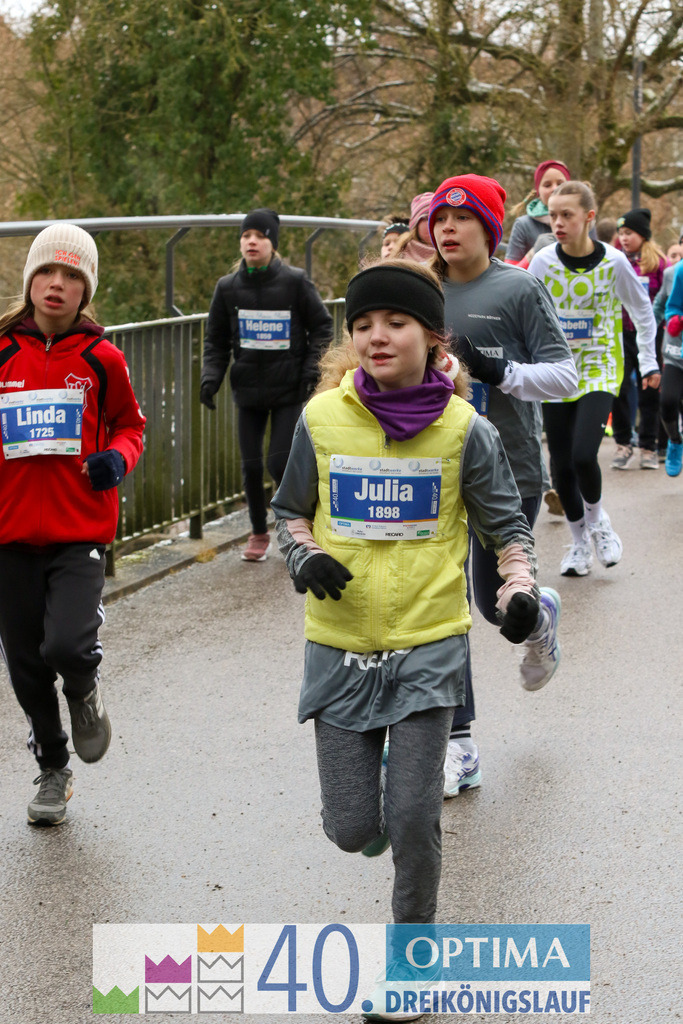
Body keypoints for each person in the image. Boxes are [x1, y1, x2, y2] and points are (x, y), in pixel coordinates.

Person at [271, 260, 545, 1022]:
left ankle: (410, 969)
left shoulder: (466, 431)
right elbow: (289, 510)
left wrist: (517, 590)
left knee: (417, 821)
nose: (374, 337)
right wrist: (304, 555)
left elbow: (506, 531)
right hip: (338, 645)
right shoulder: (320, 420)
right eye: (361, 325)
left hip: (428, 645)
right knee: (353, 827)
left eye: (393, 323)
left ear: (432, 336)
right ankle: (378, 809)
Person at [425, 174, 577, 799]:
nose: (448, 229)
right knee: (443, 604)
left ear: (489, 228)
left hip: (506, 468)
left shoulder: (518, 287)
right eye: (439, 219)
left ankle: (537, 617)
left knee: (496, 607)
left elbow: (565, 375)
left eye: (462, 219)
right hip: (433, 473)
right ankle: (460, 745)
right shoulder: (419, 289)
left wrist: (501, 372)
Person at [0, 223, 145, 826]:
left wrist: (116, 459)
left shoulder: (101, 359)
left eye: (71, 277)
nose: (56, 285)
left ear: (85, 291)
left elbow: (129, 426)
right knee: (26, 662)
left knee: (64, 644)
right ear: (30, 281)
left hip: (79, 529)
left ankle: (83, 687)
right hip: (8, 534)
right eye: (46, 273)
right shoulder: (2, 353)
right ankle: (53, 767)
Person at [528, 182, 659, 573]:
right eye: (553, 215)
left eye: (566, 215)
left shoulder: (615, 262)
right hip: (556, 370)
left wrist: (649, 363)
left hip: (599, 368)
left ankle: (599, 522)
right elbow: (524, 310)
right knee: (562, 466)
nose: (558, 222)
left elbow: (643, 313)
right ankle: (579, 543)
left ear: (588, 218)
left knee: (585, 454)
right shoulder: (543, 262)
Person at [200, 209, 333, 561]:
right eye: (246, 236)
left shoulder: (295, 282)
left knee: (279, 462)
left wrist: (311, 372)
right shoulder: (227, 288)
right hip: (248, 391)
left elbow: (322, 326)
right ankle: (258, 532)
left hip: (289, 388)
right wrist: (210, 378)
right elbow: (215, 340)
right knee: (251, 464)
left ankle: (294, 524)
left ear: (272, 242)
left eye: (259, 235)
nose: (252, 241)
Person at [610, 207, 666, 469]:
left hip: (649, 335)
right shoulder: (615, 260)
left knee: (650, 389)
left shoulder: (659, 264)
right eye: (620, 233)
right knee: (619, 388)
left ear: (643, 235)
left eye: (629, 233)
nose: (624, 238)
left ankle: (648, 446)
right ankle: (622, 443)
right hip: (619, 334)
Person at [505, 159, 571, 265]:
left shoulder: (582, 221)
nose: (554, 188)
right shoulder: (523, 225)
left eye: (560, 183)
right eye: (547, 185)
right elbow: (510, 276)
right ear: (538, 192)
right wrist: (533, 253)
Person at [662, 259, 683, 476]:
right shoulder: (681, 270)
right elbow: (672, 305)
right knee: (667, 402)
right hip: (677, 354)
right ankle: (675, 441)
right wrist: (674, 318)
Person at [394, 192, 435, 263]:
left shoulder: (455, 257)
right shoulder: (399, 257)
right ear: (415, 224)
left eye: (440, 218)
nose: (432, 223)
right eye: (427, 218)